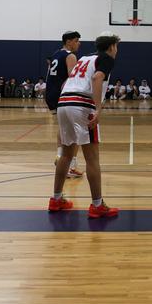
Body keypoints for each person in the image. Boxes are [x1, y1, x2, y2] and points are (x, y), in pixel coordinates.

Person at [50, 31, 121, 218]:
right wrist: (98, 109)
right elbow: (97, 78)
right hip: (81, 105)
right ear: (112, 47)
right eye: (116, 46)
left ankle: (56, 199)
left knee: (66, 154)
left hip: (64, 103)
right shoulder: (106, 59)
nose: (117, 50)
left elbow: (67, 81)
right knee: (92, 158)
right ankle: (97, 205)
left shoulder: (84, 58)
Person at [47, 31, 83, 178]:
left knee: (65, 128)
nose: (79, 43)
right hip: (63, 95)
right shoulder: (70, 56)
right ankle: (66, 162)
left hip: (52, 94)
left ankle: (64, 159)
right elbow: (72, 78)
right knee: (75, 130)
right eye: (76, 40)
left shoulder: (56, 54)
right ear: (68, 42)